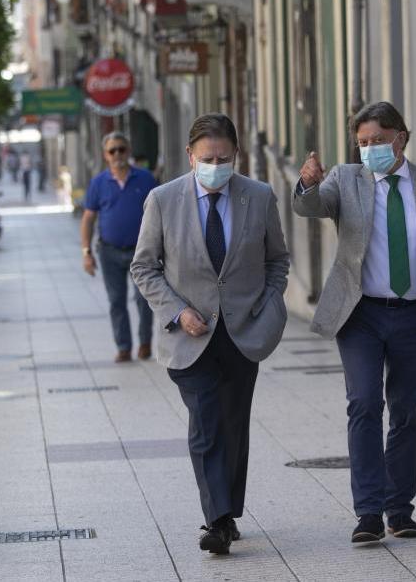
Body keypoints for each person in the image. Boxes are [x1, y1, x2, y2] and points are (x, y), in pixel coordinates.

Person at [292, 101, 416, 544]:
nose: (370, 149)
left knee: (405, 413)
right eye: (362, 143)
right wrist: (306, 184)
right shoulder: (346, 179)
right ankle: (368, 513)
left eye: (378, 140)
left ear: (401, 137)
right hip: (361, 315)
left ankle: (400, 509)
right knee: (363, 405)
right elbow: (312, 208)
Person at [131, 114, 290, 555]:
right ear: (190, 156)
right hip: (190, 336)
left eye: (223, 158)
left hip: (244, 332)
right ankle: (216, 521)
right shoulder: (163, 200)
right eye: (207, 158)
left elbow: (277, 259)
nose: (215, 165)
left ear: (235, 155)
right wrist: (178, 311)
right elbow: (143, 267)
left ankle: (228, 510)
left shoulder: (257, 197)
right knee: (206, 424)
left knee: (233, 425)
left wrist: (270, 304)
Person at [81, 133, 158, 362]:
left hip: (141, 252)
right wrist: (86, 253)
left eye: (121, 149)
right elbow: (88, 219)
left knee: (143, 299)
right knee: (116, 300)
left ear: (129, 150)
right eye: (112, 151)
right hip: (109, 251)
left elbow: (160, 215)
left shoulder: (145, 179)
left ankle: (145, 343)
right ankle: (124, 347)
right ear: (105, 155)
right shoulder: (98, 183)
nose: (117, 155)